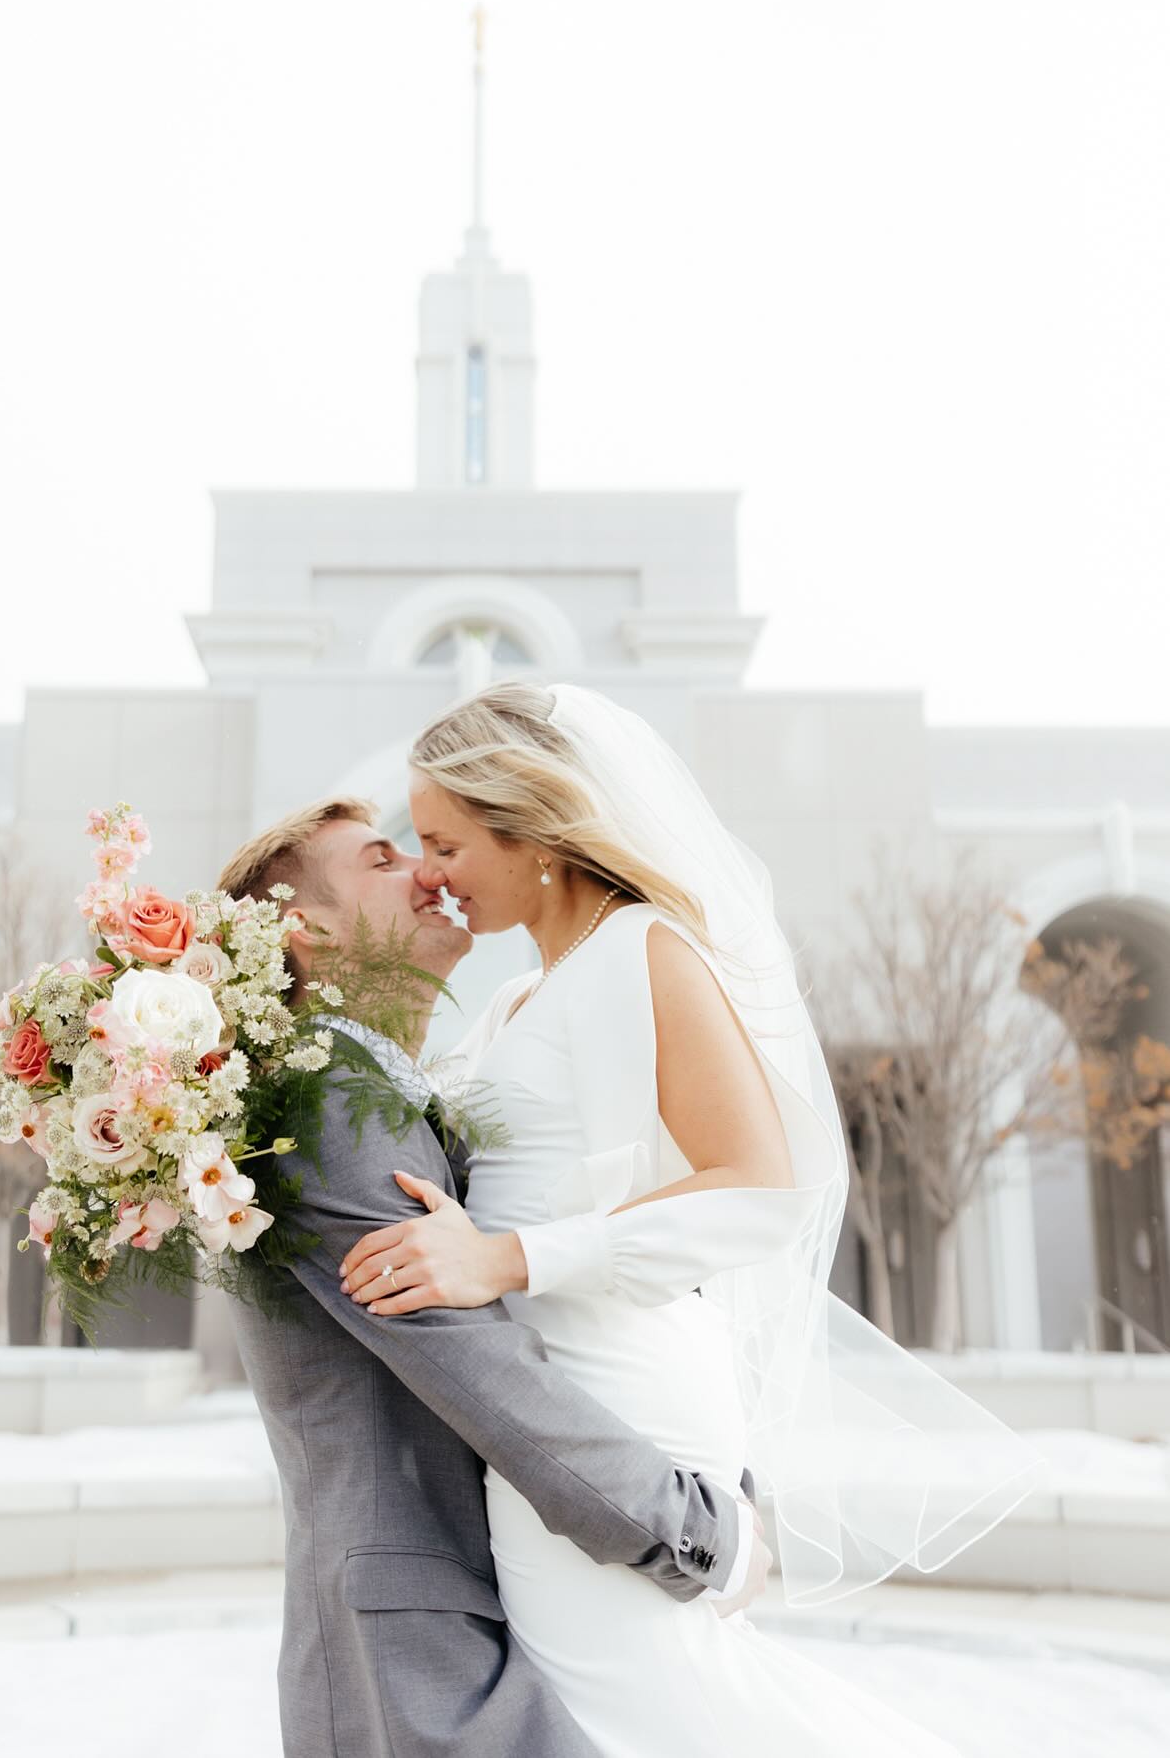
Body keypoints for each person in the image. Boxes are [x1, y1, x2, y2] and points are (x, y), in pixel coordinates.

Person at [336, 681, 1042, 1757]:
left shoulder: (645, 948)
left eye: (444, 840)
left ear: (534, 832)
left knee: (639, 1711)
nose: (427, 869)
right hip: (540, 1397)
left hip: (614, 1392)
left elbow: (756, 1180)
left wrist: (511, 1257)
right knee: (613, 1708)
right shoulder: (524, 998)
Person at [216, 797, 770, 1758]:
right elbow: (481, 1368)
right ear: (306, 930)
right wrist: (698, 1531)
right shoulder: (324, 1108)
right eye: (384, 860)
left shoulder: (389, 1091)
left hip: (501, 1600)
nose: (431, 871)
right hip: (428, 1640)